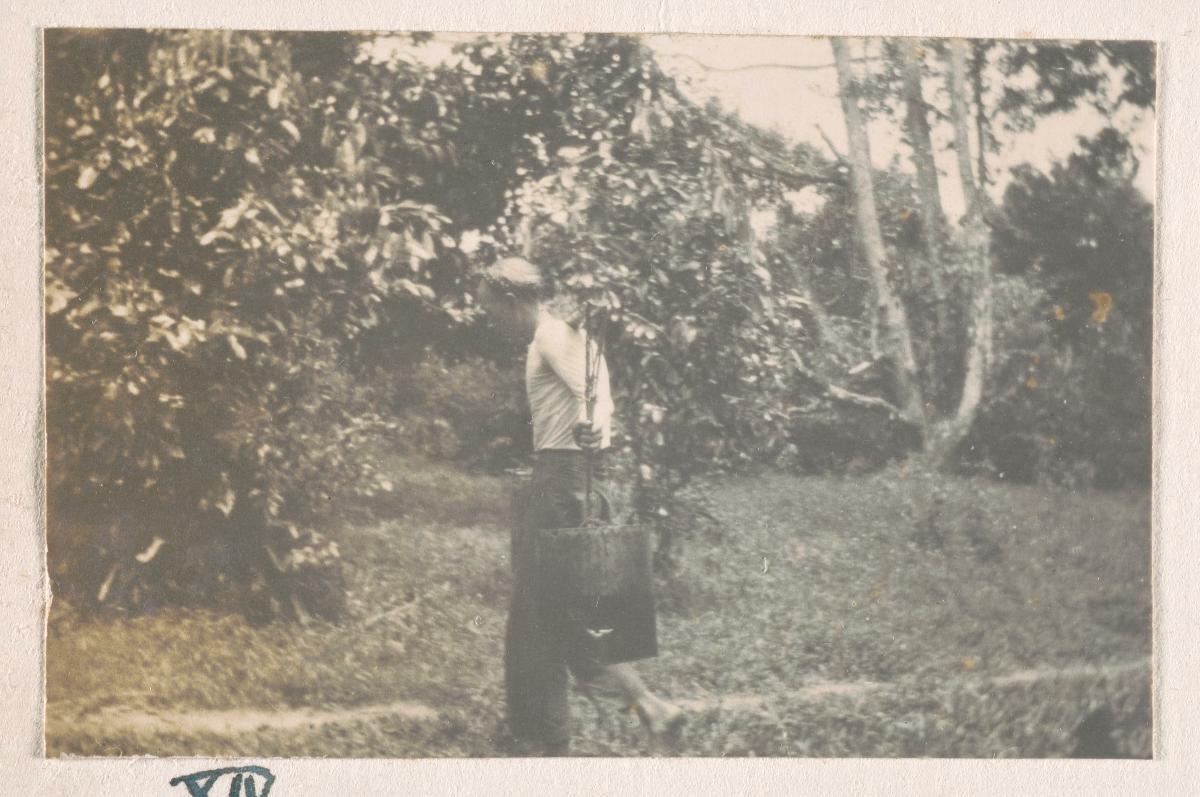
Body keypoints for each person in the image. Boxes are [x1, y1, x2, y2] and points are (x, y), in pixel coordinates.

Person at [477, 256, 684, 756]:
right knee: (546, 616)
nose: (490, 321)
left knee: (548, 615)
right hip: (561, 476)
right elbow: (595, 385)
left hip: (564, 480)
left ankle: (636, 713)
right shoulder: (554, 336)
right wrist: (593, 423)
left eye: (491, 312)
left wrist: (594, 424)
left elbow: (595, 389)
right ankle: (551, 738)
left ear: (511, 301)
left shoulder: (550, 335)